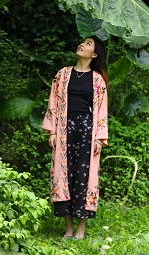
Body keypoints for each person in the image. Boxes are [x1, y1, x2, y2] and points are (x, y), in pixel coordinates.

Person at [42, 36, 108, 240]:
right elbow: (52, 102)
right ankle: (68, 228)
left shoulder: (97, 80)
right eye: (82, 42)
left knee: (83, 177)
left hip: (87, 131)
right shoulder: (62, 74)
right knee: (63, 175)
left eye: (88, 44)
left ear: (94, 54)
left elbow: (102, 110)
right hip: (64, 129)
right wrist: (52, 131)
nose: (82, 45)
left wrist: (99, 138)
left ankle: (81, 229)